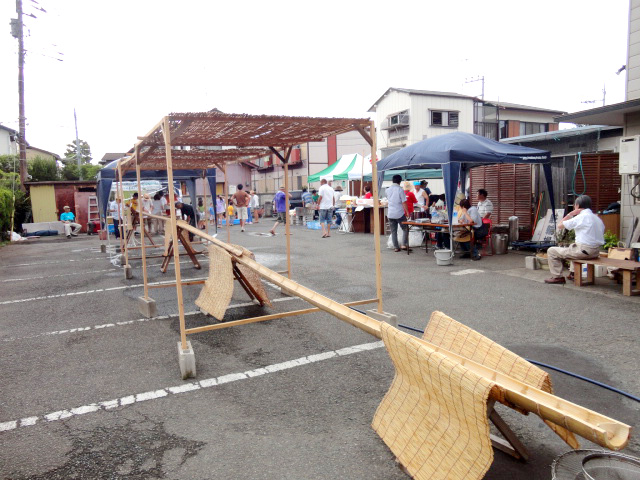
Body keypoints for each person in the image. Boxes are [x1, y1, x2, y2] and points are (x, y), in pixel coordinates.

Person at [545, 195, 605, 284]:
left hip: (584, 252)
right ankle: (573, 274)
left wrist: (570, 214)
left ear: (577, 205)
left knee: (551, 251)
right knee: (573, 247)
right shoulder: (597, 218)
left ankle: (557, 277)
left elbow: (560, 226)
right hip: (596, 251)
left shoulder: (581, 217)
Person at [386, 174, 410, 252]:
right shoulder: (400, 190)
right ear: (400, 181)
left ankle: (396, 247)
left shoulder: (387, 190)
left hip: (390, 213)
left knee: (393, 231)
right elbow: (404, 202)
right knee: (405, 228)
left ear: (392, 181)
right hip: (399, 213)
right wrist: (407, 212)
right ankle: (403, 244)